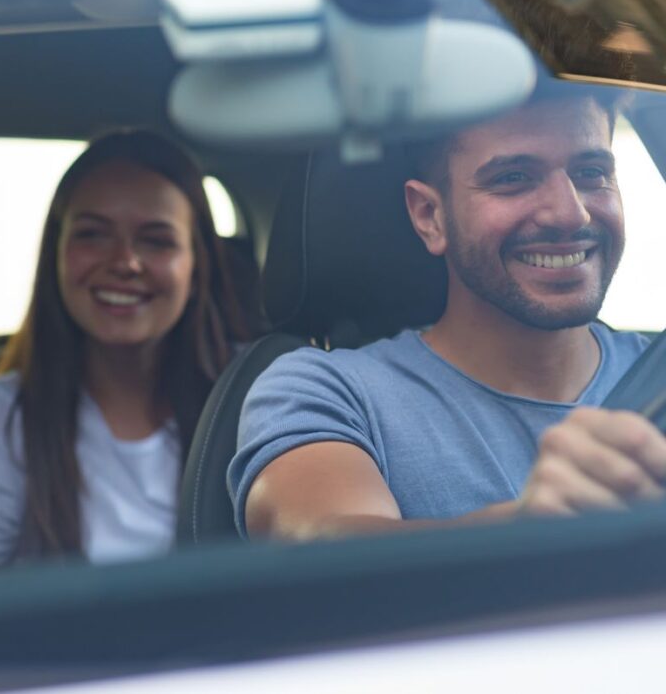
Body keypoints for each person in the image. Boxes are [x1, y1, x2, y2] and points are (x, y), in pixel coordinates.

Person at [229, 90, 666, 541]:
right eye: (513, 177)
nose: (569, 213)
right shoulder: (326, 390)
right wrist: (532, 528)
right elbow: (324, 550)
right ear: (429, 216)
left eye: (592, 173)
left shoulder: (658, 373)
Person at [0, 130, 248, 566]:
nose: (124, 262)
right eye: (93, 235)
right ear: (56, 255)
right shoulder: (1, 421)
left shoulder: (261, 401)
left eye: (156, 240)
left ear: (197, 267)